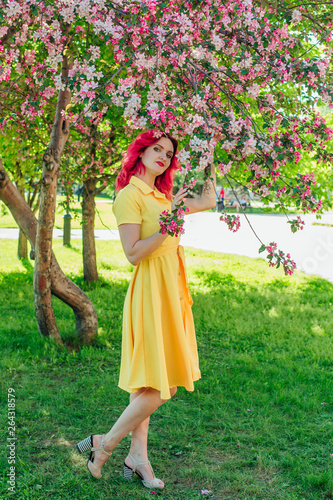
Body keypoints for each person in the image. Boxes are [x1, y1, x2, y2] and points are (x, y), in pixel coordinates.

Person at [76, 129, 216, 489]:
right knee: (160, 384)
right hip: (150, 289)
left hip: (171, 289)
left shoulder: (164, 196)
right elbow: (133, 253)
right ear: (140, 152)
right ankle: (104, 445)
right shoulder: (129, 196)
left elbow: (208, 200)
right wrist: (167, 229)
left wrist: (210, 159)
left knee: (147, 382)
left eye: (168, 154)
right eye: (157, 149)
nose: (163, 156)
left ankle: (138, 457)